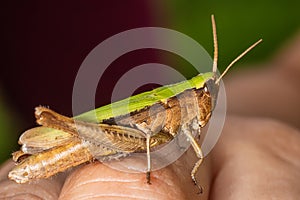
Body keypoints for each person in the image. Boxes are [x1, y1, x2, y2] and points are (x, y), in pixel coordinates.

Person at [0, 32, 299, 200]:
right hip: (100, 134)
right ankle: (53, 125)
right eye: (204, 92)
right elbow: (146, 138)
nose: (209, 101)